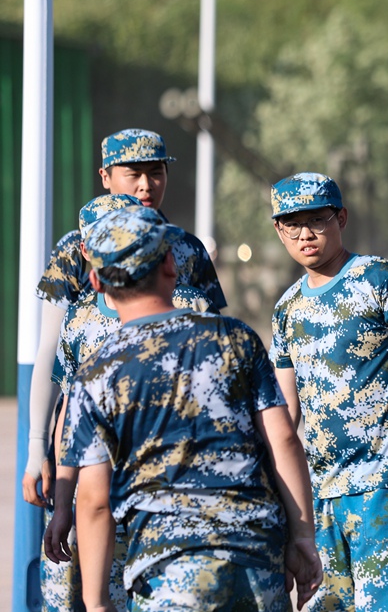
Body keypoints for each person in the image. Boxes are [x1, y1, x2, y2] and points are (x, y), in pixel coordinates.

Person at [57, 204, 321, 610]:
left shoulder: (95, 374)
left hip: (169, 574)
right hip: (256, 560)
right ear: (170, 264)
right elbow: (283, 439)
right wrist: (302, 536)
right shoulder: (235, 338)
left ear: (95, 281)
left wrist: (95, 602)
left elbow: (94, 500)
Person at [269, 172, 388, 610]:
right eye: (293, 225)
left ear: (342, 218)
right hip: (319, 497)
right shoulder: (287, 308)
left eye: (318, 220)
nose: (306, 235)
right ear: (278, 230)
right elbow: (285, 413)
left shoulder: (383, 279)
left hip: (384, 488)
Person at [24, 128, 226, 509]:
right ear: (105, 177)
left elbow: (215, 354)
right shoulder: (77, 250)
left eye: (156, 172)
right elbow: (52, 352)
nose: (146, 185)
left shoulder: (187, 248)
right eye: (133, 174)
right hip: (87, 435)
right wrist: (37, 447)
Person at [39, 195, 216, 612]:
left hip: (172, 506)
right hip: (95, 503)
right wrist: (61, 500)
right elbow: (70, 412)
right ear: (87, 252)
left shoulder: (189, 304)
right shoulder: (79, 319)